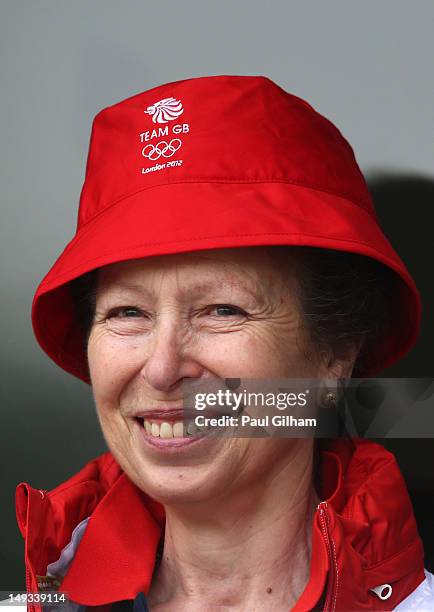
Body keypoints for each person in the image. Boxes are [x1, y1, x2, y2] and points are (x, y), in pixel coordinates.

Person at [15, 75, 434, 611]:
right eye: (127, 312)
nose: (162, 369)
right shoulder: (36, 599)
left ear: (335, 354)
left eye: (222, 310)